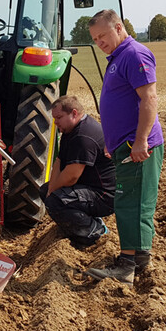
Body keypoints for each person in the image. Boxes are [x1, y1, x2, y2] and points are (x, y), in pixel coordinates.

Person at [84, 9, 164, 286]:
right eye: (95, 39)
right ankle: (138, 258)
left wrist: (141, 141)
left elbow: (149, 99)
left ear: (118, 27)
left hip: (136, 145)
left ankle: (127, 266)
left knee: (130, 203)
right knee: (132, 201)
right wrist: (112, 140)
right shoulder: (119, 57)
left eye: (102, 36)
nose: (99, 42)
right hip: (125, 144)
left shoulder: (134, 54)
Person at [40, 95, 115, 249]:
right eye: (54, 118)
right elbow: (59, 161)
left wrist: (52, 194)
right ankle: (85, 222)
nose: (55, 122)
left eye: (59, 117)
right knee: (46, 191)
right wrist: (50, 189)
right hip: (89, 187)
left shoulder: (83, 136)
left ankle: (95, 231)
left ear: (74, 113)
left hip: (104, 195)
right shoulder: (70, 131)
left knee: (55, 201)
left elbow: (71, 177)